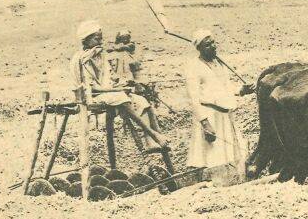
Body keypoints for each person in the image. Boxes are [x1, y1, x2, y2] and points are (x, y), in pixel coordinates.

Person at [70, 19, 169, 155]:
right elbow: (92, 88)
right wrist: (117, 89)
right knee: (121, 97)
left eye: (101, 39)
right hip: (91, 96)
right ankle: (153, 134)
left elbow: (109, 80)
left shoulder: (100, 55)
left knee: (142, 101)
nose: (100, 42)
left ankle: (151, 141)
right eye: (96, 39)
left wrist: (121, 85)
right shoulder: (82, 59)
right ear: (86, 40)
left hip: (108, 93)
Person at [184, 28, 256, 171]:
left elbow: (225, 87)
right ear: (199, 48)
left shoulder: (219, 64)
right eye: (207, 45)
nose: (213, 47)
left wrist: (241, 90)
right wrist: (205, 123)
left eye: (213, 43)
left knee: (230, 155)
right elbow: (194, 98)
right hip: (209, 115)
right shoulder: (193, 67)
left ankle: (231, 178)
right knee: (211, 157)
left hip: (224, 113)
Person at [106, 28, 160, 130]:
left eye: (127, 38)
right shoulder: (115, 54)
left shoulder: (130, 50)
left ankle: (152, 129)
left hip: (134, 82)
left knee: (145, 101)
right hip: (122, 84)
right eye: (123, 39)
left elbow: (134, 62)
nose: (125, 41)